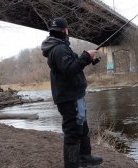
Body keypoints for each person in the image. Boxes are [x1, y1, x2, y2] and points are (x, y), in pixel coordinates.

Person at [41, 17, 103, 168]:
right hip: (69, 97)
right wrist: (86, 57)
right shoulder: (59, 49)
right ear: (64, 30)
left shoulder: (60, 46)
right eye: (67, 30)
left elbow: (73, 64)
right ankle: (72, 164)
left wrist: (87, 58)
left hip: (74, 95)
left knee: (82, 127)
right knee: (73, 132)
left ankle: (85, 157)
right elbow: (70, 69)